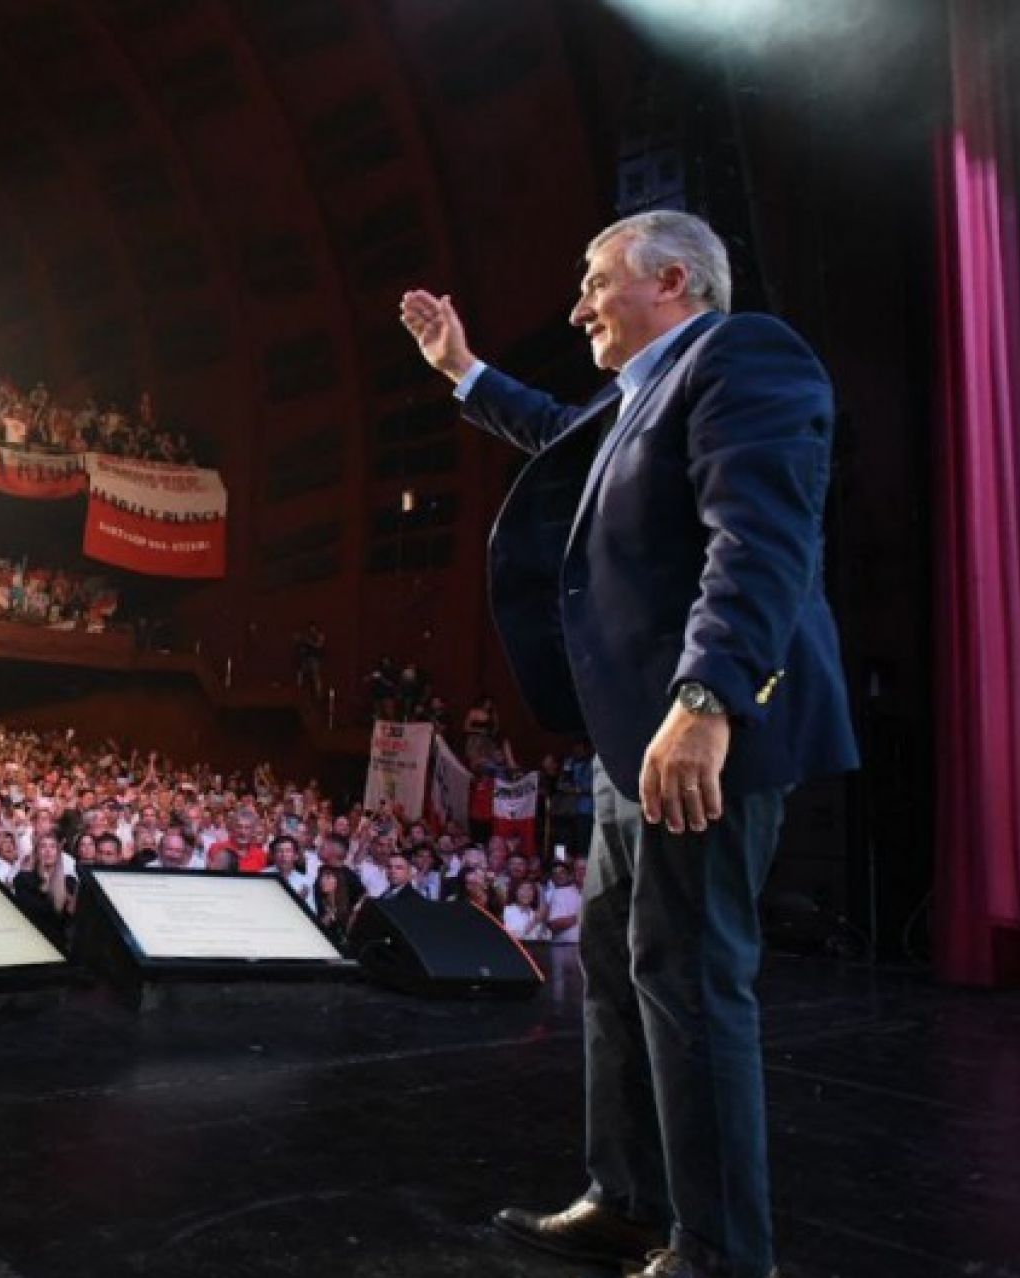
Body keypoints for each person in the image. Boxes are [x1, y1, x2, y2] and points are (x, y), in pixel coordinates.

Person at [403, 208, 857, 1278]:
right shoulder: (637, 396)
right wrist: (463, 370)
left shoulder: (743, 354)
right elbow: (564, 433)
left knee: (690, 979)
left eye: (592, 280)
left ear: (670, 279)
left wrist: (707, 695)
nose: (574, 306)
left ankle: (716, 1252)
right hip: (631, 742)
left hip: (700, 726)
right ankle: (628, 1201)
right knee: (616, 969)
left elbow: (758, 535)